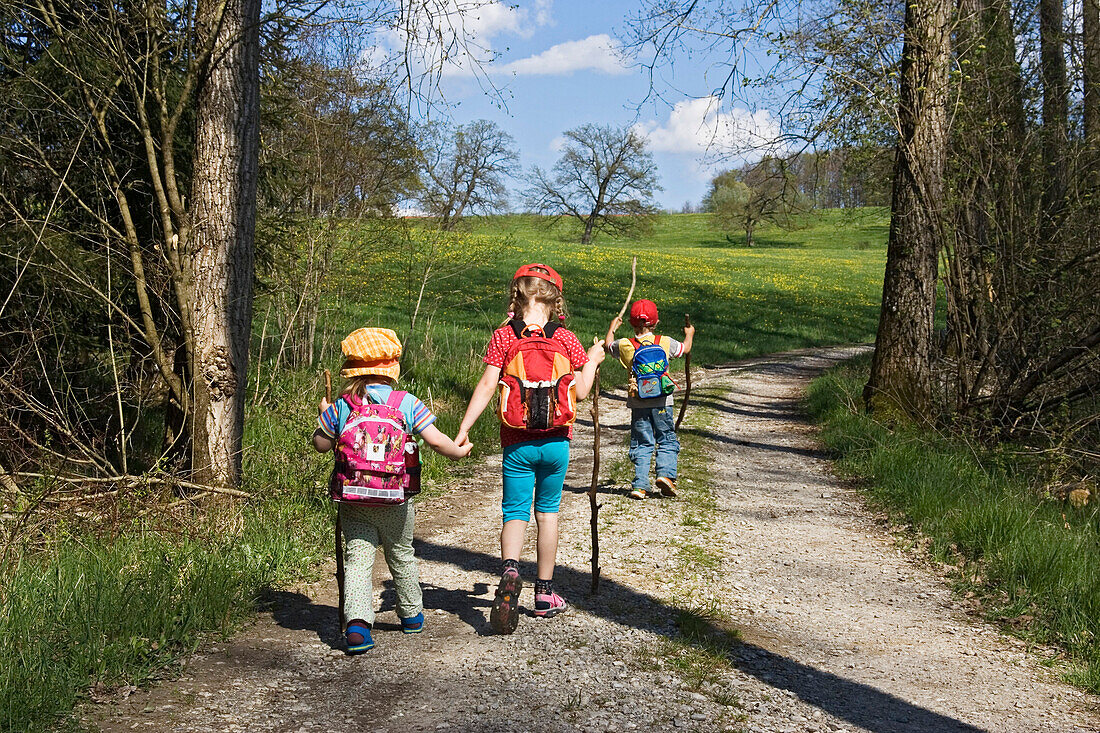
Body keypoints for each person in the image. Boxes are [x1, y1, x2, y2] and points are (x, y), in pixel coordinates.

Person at [455, 263, 604, 634]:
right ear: (555, 299)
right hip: (556, 444)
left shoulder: (503, 336)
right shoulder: (567, 339)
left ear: (517, 295)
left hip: (516, 443)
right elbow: (581, 392)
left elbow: (489, 385)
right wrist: (595, 361)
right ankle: (544, 593)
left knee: (515, 512)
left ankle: (509, 572)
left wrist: (464, 427)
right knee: (548, 513)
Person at [313, 327, 471, 654]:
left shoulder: (344, 404)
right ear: (392, 368)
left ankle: (357, 624)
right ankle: (411, 614)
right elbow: (436, 440)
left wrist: (323, 417)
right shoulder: (406, 402)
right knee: (401, 553)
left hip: (354, 497)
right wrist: (458, 451)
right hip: (395, 498)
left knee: (357, 560)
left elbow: (321, 444)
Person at [605, 299, 695, 500]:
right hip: (663, 402)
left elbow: (608, 345)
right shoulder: (665, 342)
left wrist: (612, 328)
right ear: (656, 323)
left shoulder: (626, 345)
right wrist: (689, 334)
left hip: (638, 403)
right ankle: (665, 475)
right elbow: (685, 348)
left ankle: (640, 485)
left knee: (642, 442)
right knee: (666, 439)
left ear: (631, 323)